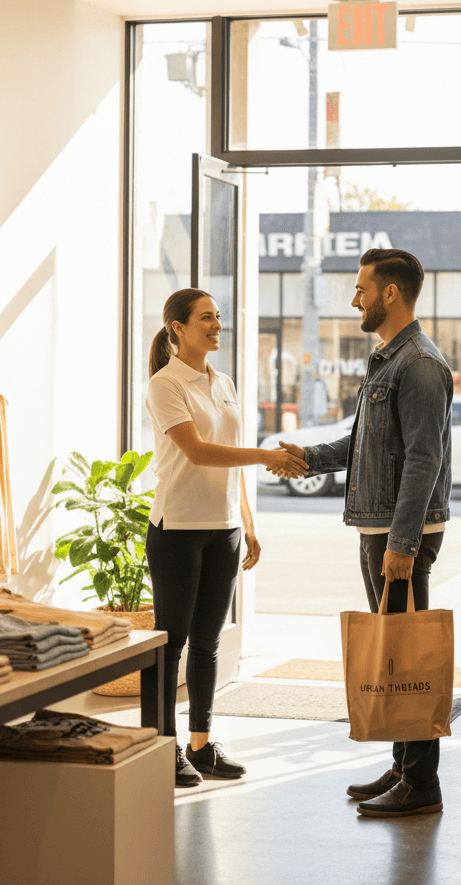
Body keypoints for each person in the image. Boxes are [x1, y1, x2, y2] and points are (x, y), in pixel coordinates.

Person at [276, 249, 453, 817]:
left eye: (361, 289)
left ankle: (421, 784)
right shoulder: (388, 360)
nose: (355, 298)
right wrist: (306, 457)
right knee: (395, 654)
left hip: (401, 535)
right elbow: (363, 449)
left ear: (391, 294)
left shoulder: (420, 365)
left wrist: (402, 545)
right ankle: (404, 767)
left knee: (410, 658)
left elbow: (425, 459)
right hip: (379, 527)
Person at [146, 287, 308, 788]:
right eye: (206, 319)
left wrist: (249, 523)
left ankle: (201, 745)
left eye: (218, 318)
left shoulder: (226, 382)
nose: (217, 326)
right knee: (170, 642)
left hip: (224, 529)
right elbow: (197, 452)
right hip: (178, 528)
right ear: (177, 327)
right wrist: (267, 457)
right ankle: (162, 748)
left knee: (209, 643)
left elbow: (229, 458)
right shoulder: (165, 384)